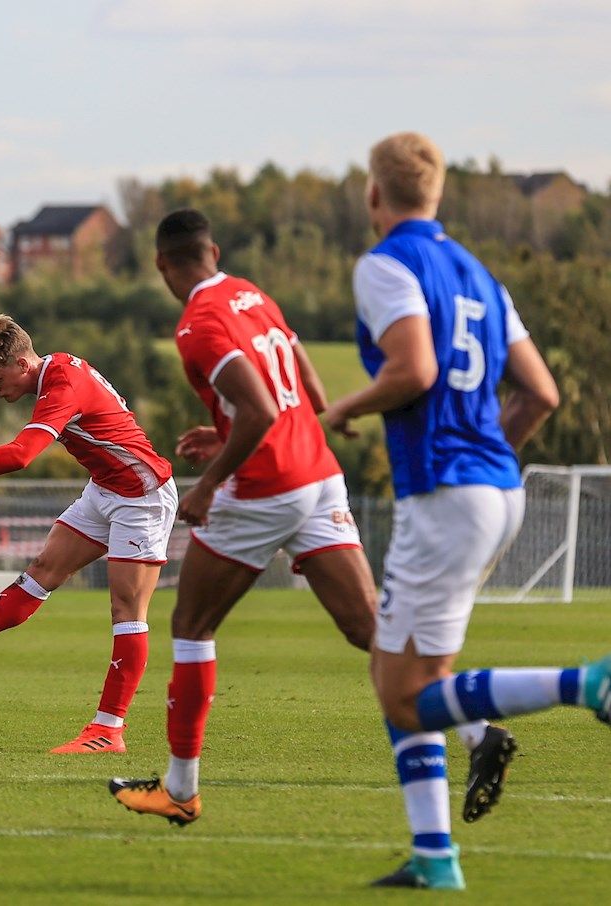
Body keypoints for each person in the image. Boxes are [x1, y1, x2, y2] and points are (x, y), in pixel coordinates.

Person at [322, 132, 605, 890]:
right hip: (491, 486)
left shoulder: (386, 263)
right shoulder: (478, 273)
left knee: (401, 691)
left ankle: (586, 684)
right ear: (437, 193)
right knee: (408, 676)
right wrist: (489, 466)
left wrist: (343, 406)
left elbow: (412, 368)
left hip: (447, 494)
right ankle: (434, 857)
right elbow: (539, 392)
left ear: (374, 196)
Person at [108, 207, 393, 826]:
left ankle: (180, 790)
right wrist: (237, 429)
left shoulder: (197, 325)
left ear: (163, 265)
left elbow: (261, 410)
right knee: (366, 626)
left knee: (190, 625)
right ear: (214, 250)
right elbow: (302, 391)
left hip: (266, 487)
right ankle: (479, 730)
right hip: (319, 476)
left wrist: (209, 484)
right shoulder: (252, 296)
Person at [0, 314, 178, 754]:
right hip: (106, 487)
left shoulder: (62, 383)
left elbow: (22, 455)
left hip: (142, 496)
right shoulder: (56, 374)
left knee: (127, 608)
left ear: (23, 363)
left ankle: (108, 730)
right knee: (43, 570)